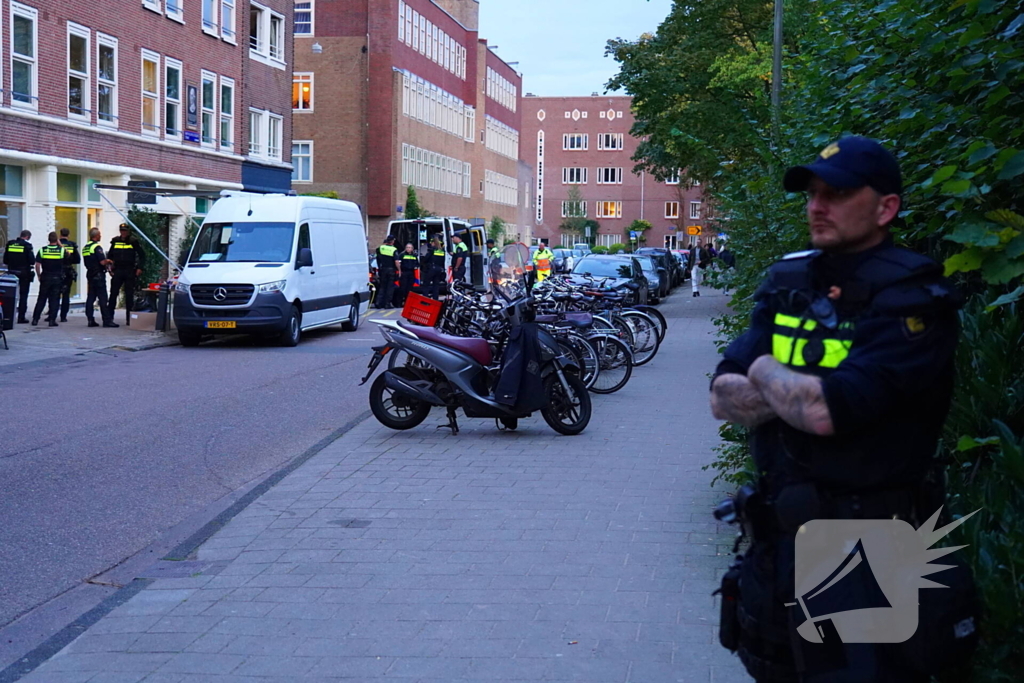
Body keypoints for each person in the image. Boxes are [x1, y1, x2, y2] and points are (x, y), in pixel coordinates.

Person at [709, 137, 963, 683]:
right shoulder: (788, 281)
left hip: (868, 546)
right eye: (812, 193)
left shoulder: (912, 295)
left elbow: (827, 411)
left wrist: (765, 372)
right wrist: (791, 393)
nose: (817, 206)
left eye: (838, 193)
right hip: (779, 538)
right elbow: (721, 398)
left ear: (886, 207)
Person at [108, 224, 145, 325]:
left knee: (129, 295)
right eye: (121, 230)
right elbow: (109, 256)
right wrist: (110, 269)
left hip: (129, 270)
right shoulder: (115, 241)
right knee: (113, 294)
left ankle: (129, 319)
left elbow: (142, 255)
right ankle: (109, 318)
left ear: (128, 231)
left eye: (125, 230)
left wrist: (139, 268)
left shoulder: (133, 241)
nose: (123, 232)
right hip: (118, 270)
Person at [82, 227, 118, 328]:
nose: (100, 236)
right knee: (103, 298)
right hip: (98, 275)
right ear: (96, 236)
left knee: (91, 297)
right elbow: (102, 262)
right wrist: (109, 261)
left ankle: (90, 319)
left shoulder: (86, 247)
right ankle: (107, 321)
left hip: (90, 274)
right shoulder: (96, 247)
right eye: (99, 235)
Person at [31, 232, 67, 327]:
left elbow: (37, 265)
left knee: (41, 298)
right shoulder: (61, 251)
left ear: (48, 239)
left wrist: (39, 275)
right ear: (57, 240)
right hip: (57, 278)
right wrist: (60, 244)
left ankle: (35, 319)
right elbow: (69, 254)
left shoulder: (42, 250)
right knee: (54, 299)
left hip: (45, 277)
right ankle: (52, 320)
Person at [2, 230, 34, 323]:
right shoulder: (27, 246)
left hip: (12, 272)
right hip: (24, 273)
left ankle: (7, 316)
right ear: (27, 237)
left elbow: (5, 260)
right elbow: (32, 261)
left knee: (9, 295)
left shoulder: (10, 244)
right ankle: (21, 317)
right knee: (23, 295)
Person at [58, 227, 81, 323]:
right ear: (68, 235)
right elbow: (77, 260)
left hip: (58, 271)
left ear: (60, 234)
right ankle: (63, 317)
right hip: (68, 271)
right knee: (66, 295)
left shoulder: (57, 245)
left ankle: (52, 315)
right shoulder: (72, 245)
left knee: (55, 294)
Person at [375, 235, 398, 309]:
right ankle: (387, 304)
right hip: (391, 270)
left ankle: (378, 302)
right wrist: (399, 270)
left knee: (382, 287)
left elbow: (377, 257)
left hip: (383, 269)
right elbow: (396, 262)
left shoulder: (381, 248)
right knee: (390, 287)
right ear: (392, 241)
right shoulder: (394, 249)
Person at [423, 236, 447, 300]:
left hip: (432, 269)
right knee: (436, 286)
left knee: (426, 284)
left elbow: (426, 259)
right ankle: (435, 300)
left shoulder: (432, 250)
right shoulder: (442, 251)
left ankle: (425, 299)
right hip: (439, 269)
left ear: (433, 243)